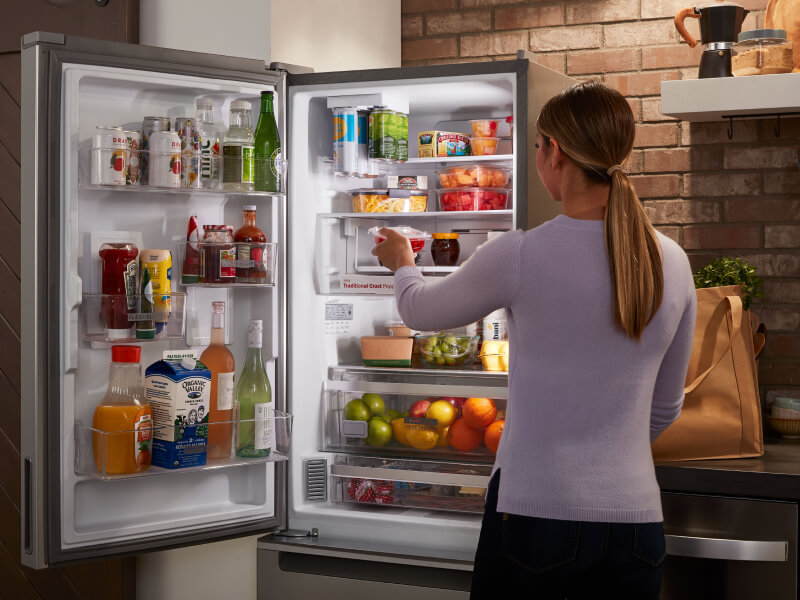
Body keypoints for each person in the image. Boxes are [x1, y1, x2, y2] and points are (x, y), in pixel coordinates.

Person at [372, 81, 697, 599]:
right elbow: (666, 408)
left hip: (536, 518)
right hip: (636, 528)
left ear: (557, 153)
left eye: (540, 146)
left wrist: (403, 263)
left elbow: (420, 311)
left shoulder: (521, 254)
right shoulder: (673, 261)